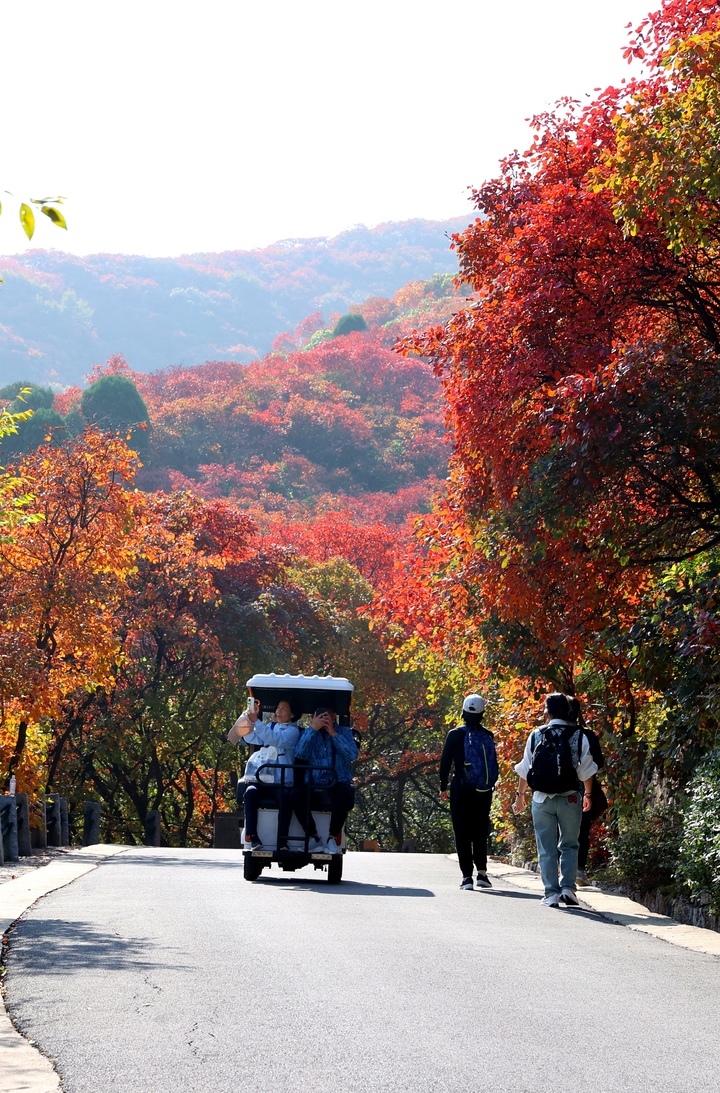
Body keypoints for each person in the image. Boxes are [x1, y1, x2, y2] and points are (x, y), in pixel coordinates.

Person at [512, 692, 597, 907]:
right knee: (569, 844)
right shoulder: (579, 736)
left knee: (546, 847)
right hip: (569, 798)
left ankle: (550, 893)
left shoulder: (536, 735)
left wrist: (520, 797)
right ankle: (568, 888)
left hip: (541, 800)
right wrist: (588, 795)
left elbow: (525, 769)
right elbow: (586, 769)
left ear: (546, 712)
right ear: (569, 711)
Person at [439, 693, 498, 890]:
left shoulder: (455, 735)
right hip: (483, 788)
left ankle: (467, 877)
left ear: (463, 711)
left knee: (462, 830)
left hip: (461, 787)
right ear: (483, 714)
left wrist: (442, 787)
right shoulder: (488, 736)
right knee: (480, 829)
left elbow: (445, 763)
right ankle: (482, 872)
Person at [228, 697, 299, 852]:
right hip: (262, 779)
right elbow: (251, 737)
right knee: (250, 793)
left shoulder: (293, 732)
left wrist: (258, 723)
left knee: (286, 798)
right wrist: (249, 718)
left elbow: (275, 740)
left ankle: (282, 841)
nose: (278, 711)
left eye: (283, 708)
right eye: (277, 708)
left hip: (280, 782)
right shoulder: (271, 727)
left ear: (292, 714)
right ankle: (253, 837)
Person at [292, 706, 358, 854]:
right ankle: (313, 837)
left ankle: (331, 838)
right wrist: (312, 730)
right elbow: (299, 754)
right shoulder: (306, 732)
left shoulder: (345, 732)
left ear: (334, 716)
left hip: (337, 781)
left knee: (345, 793)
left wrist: (334, 734)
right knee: (296, 795)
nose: (324, 719)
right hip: (314, 783)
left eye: (327, 715)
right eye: (320, 715)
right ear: (314, 716)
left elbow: (352, 755)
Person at [566, 695, 608, 885]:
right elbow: (598, 763)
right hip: (584, 787)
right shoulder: (587, 735)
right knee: (581, 830)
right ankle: (579, 871)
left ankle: (561, 869)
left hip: (557, 788)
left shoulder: (550, 733)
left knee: (560, 829)